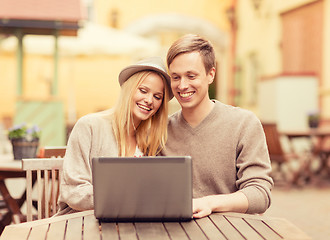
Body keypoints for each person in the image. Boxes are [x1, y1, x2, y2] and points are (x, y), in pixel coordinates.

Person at [161, 34, 274, 218]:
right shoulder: (162, 131)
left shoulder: (243, 123)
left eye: (191, 76)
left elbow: (260, 194)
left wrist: (209, 203)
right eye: (175, 77)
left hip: (232, 232)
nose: (182, 85)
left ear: (211, 74)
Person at [57, 57, 173, 215]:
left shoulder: (150, 141)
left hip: (128, 221)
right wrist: (126, 197)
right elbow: (74, 192)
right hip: (82, 222)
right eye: (143, 91)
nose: (149, 100)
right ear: (129, 89)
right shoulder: (89, 126)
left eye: (157, 97)